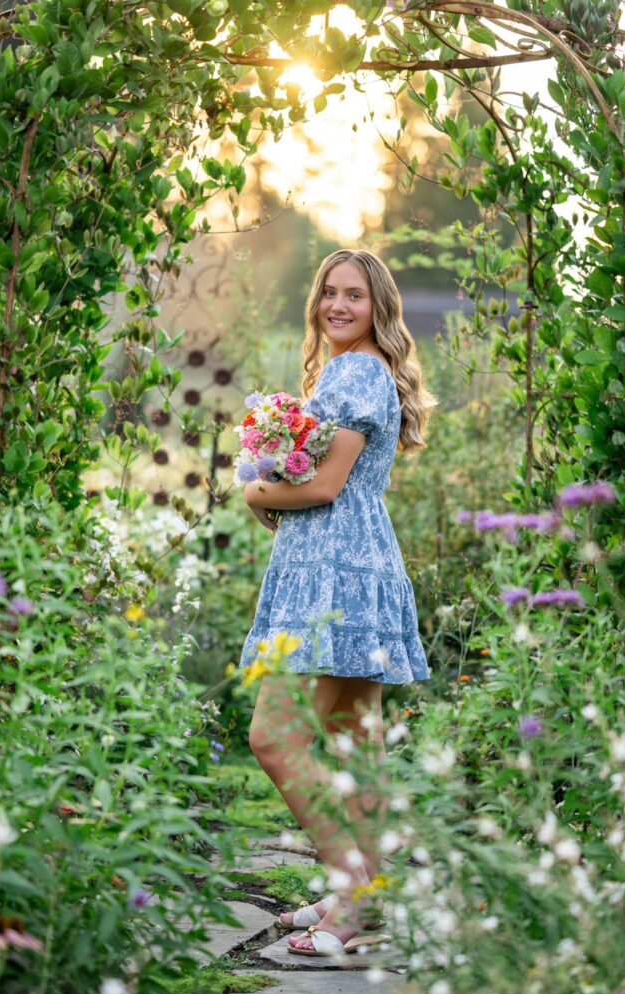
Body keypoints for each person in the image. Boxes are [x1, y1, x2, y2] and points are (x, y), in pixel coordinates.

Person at [238, 249, 436, 957]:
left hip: (332, 568)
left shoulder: (354, 371)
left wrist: (257, 491)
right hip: (361, 561)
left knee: (275, 735)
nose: (337, 305)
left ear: (379, 307)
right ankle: (370, 893)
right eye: (329, 292)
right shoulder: (359, 370)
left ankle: (350, 892)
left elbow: (322, 488)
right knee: (356, 738)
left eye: (354, 295)